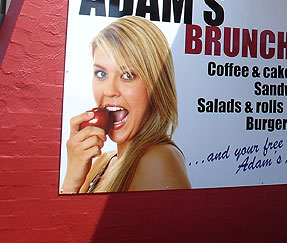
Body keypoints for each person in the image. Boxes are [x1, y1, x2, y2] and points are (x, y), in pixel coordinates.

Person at [60, 16, 191, 193]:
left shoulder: (158, 160)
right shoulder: (104, 162)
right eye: (101, 74)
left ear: (156, 86)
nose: (109, 91)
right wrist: (71, 180)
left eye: (128, 75)